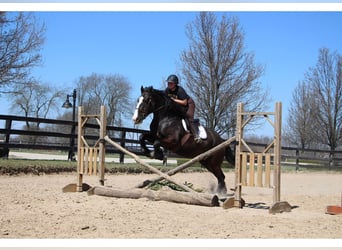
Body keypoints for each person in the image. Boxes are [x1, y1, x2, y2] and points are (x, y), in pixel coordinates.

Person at [164, 74, 201, 143]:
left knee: (189, 118)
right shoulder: (167, 90)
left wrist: (173, 100)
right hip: (177, 106)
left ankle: (197, 135)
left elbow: (184, 102)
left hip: (189, 104)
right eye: (168, 83)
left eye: (171, 83)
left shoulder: (180, 90)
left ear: (175, 84)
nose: (169, 84)